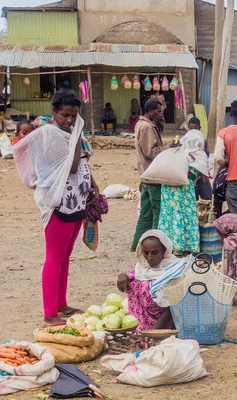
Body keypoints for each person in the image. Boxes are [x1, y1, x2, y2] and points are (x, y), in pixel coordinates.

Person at [13, 89, 100, 326]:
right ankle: (50, 313)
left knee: (66, 256)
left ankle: (61, 303)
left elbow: (82, 163)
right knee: (54, 257)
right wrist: (77, 133)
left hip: (76, 201)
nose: (70, 120)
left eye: (74, 116)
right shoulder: (50, 135)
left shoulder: (70, 133)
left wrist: (94, 186)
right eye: (65, 115)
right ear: (54, 113)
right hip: (58, 203)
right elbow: (71, 167)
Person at [118, 231, 190, 330]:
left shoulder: (174, 270)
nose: (150, 258)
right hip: (141, 323)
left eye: (155, 253)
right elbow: (126, 286)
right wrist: (122, 276)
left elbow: (169, 311)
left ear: (164, 251)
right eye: (146, 253)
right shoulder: (142, 267)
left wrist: (151, 333)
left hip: (164, 325)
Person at [158, 128, 209, 254]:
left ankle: (169, 246)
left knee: (170, 215)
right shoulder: (199, 154)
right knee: (184, 215)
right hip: (184, 190)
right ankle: (184, 246)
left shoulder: (176, 151)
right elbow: (204, 180)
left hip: (168, 189)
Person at [131, 99, 172, 251]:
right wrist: (170, 147)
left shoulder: (145, 125)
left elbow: (156, 137)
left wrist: (161, 122)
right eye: (158, 111)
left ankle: (137, 246)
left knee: (145, 214)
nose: (160, 114)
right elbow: (151, 152)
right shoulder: (147, 127)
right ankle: (155, 247)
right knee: (157, 213)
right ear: (150, 110)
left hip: (146, 176)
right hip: (153, 176)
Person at [187, 117, 212, 201]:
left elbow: (206, 155)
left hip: (202, 175)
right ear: (188, 128)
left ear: (199, 128)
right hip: (191, 176)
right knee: (193, 199)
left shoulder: (203, 141)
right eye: (191, 129)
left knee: (207, 199)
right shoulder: (184, 142)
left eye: (195, 128)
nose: (193, 131)